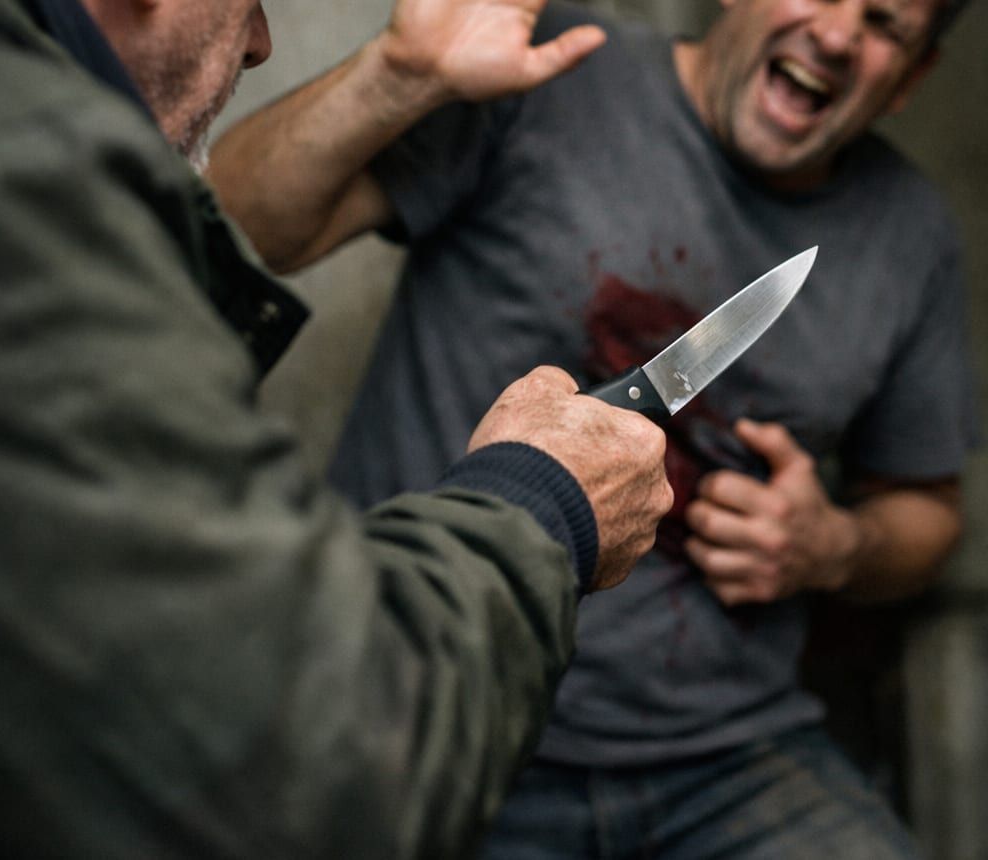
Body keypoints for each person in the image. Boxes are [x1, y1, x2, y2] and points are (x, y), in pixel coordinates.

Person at [208, 0, 979, 856]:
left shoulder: (910, 235)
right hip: (436, 709)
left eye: (884, 24)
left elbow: (928, 512)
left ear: (910, 79)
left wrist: (835, 546)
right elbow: (228, 230)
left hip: (728, 755)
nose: (836, 35)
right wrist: (396, 74)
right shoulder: (545, 71)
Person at [0, 0, 677, 856]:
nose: (262, 43)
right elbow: (329, 768)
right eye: (250, 3)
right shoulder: (13, 173)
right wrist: (548, 501)